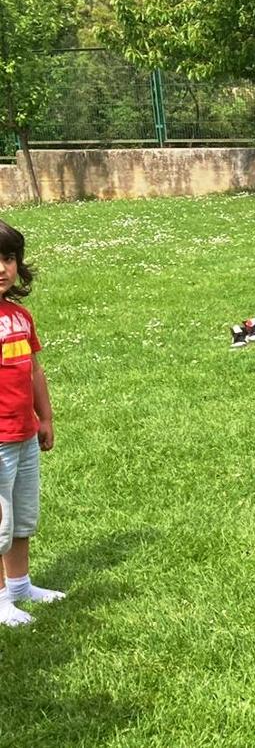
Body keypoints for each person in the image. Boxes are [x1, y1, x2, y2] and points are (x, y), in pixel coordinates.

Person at [0, 220, 61, 628]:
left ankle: (20, 585)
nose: (1, 267)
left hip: (23, 433)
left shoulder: (20, 317)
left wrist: (46, 417)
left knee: (22, 517)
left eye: (8, 258)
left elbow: (34, 370)